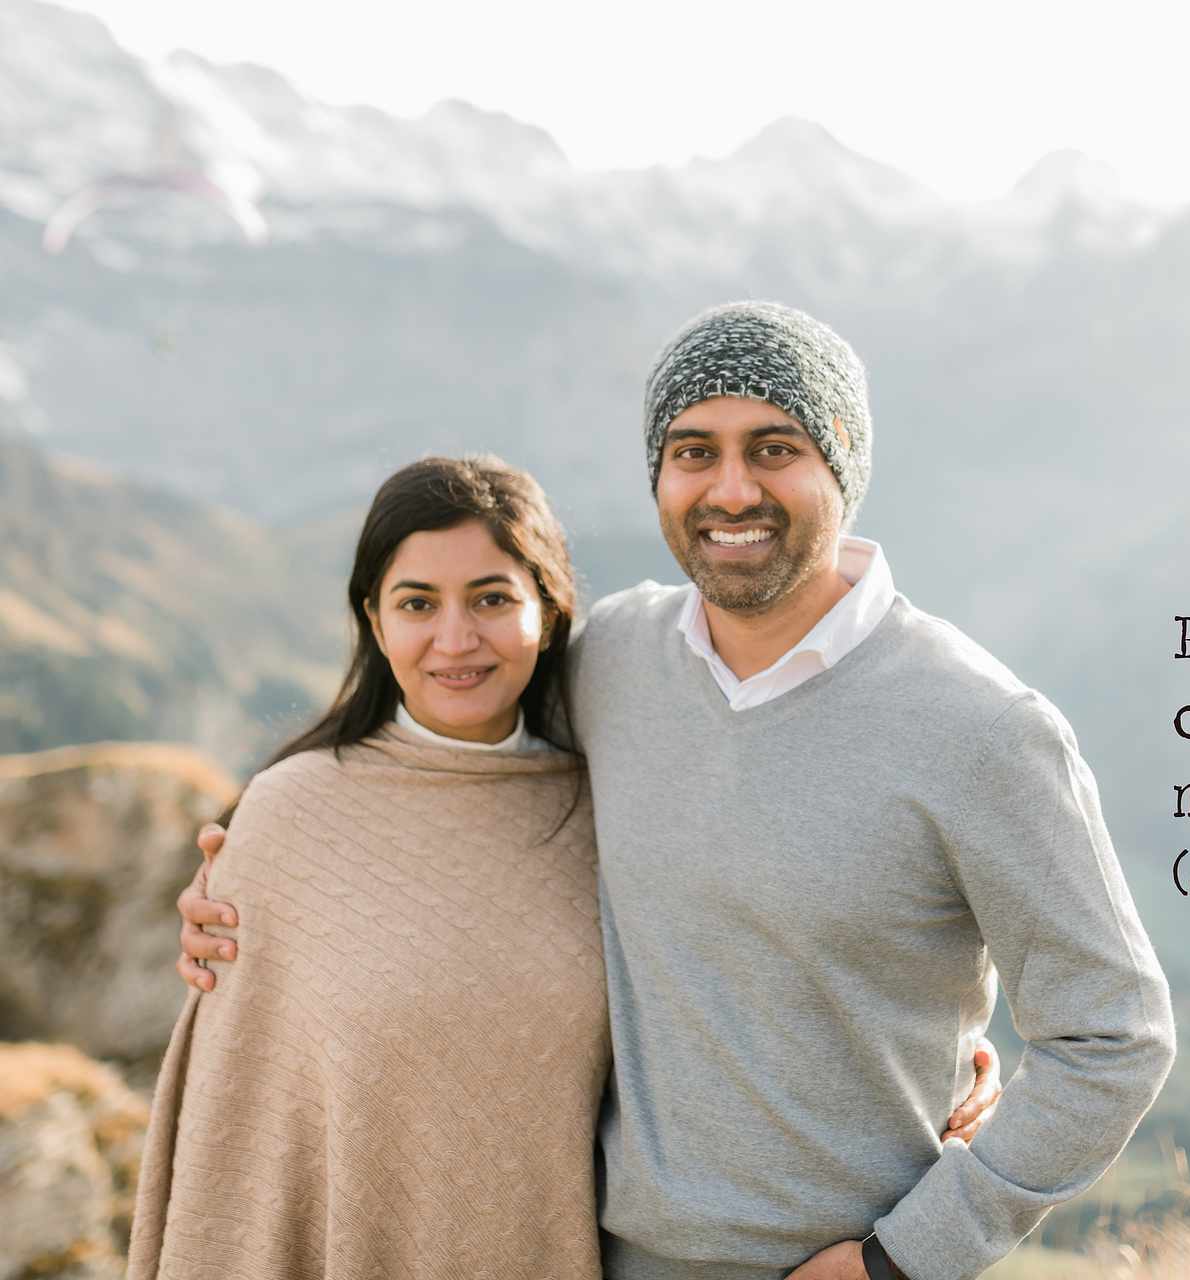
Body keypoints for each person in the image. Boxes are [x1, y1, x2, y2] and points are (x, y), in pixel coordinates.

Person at [180, 300, 1175, 1280]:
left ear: (844, 467)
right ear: (658, 475)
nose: (730, 487)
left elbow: (1115, 1036)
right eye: (694, 450)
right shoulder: (614, 660)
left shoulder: (981, 727)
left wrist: (905, 1255)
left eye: (774, 446)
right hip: (604, 1254)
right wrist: (275, 886)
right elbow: (458, 767)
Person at [143, 454, 1002, 1279]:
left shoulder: (607, 791)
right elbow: (239, 1130)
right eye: (415, 603)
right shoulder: (292, 815)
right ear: (373, 619)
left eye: (491, 598)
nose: (455, 639)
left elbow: (740, 958)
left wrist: (936, 1064)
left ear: (549, 613)